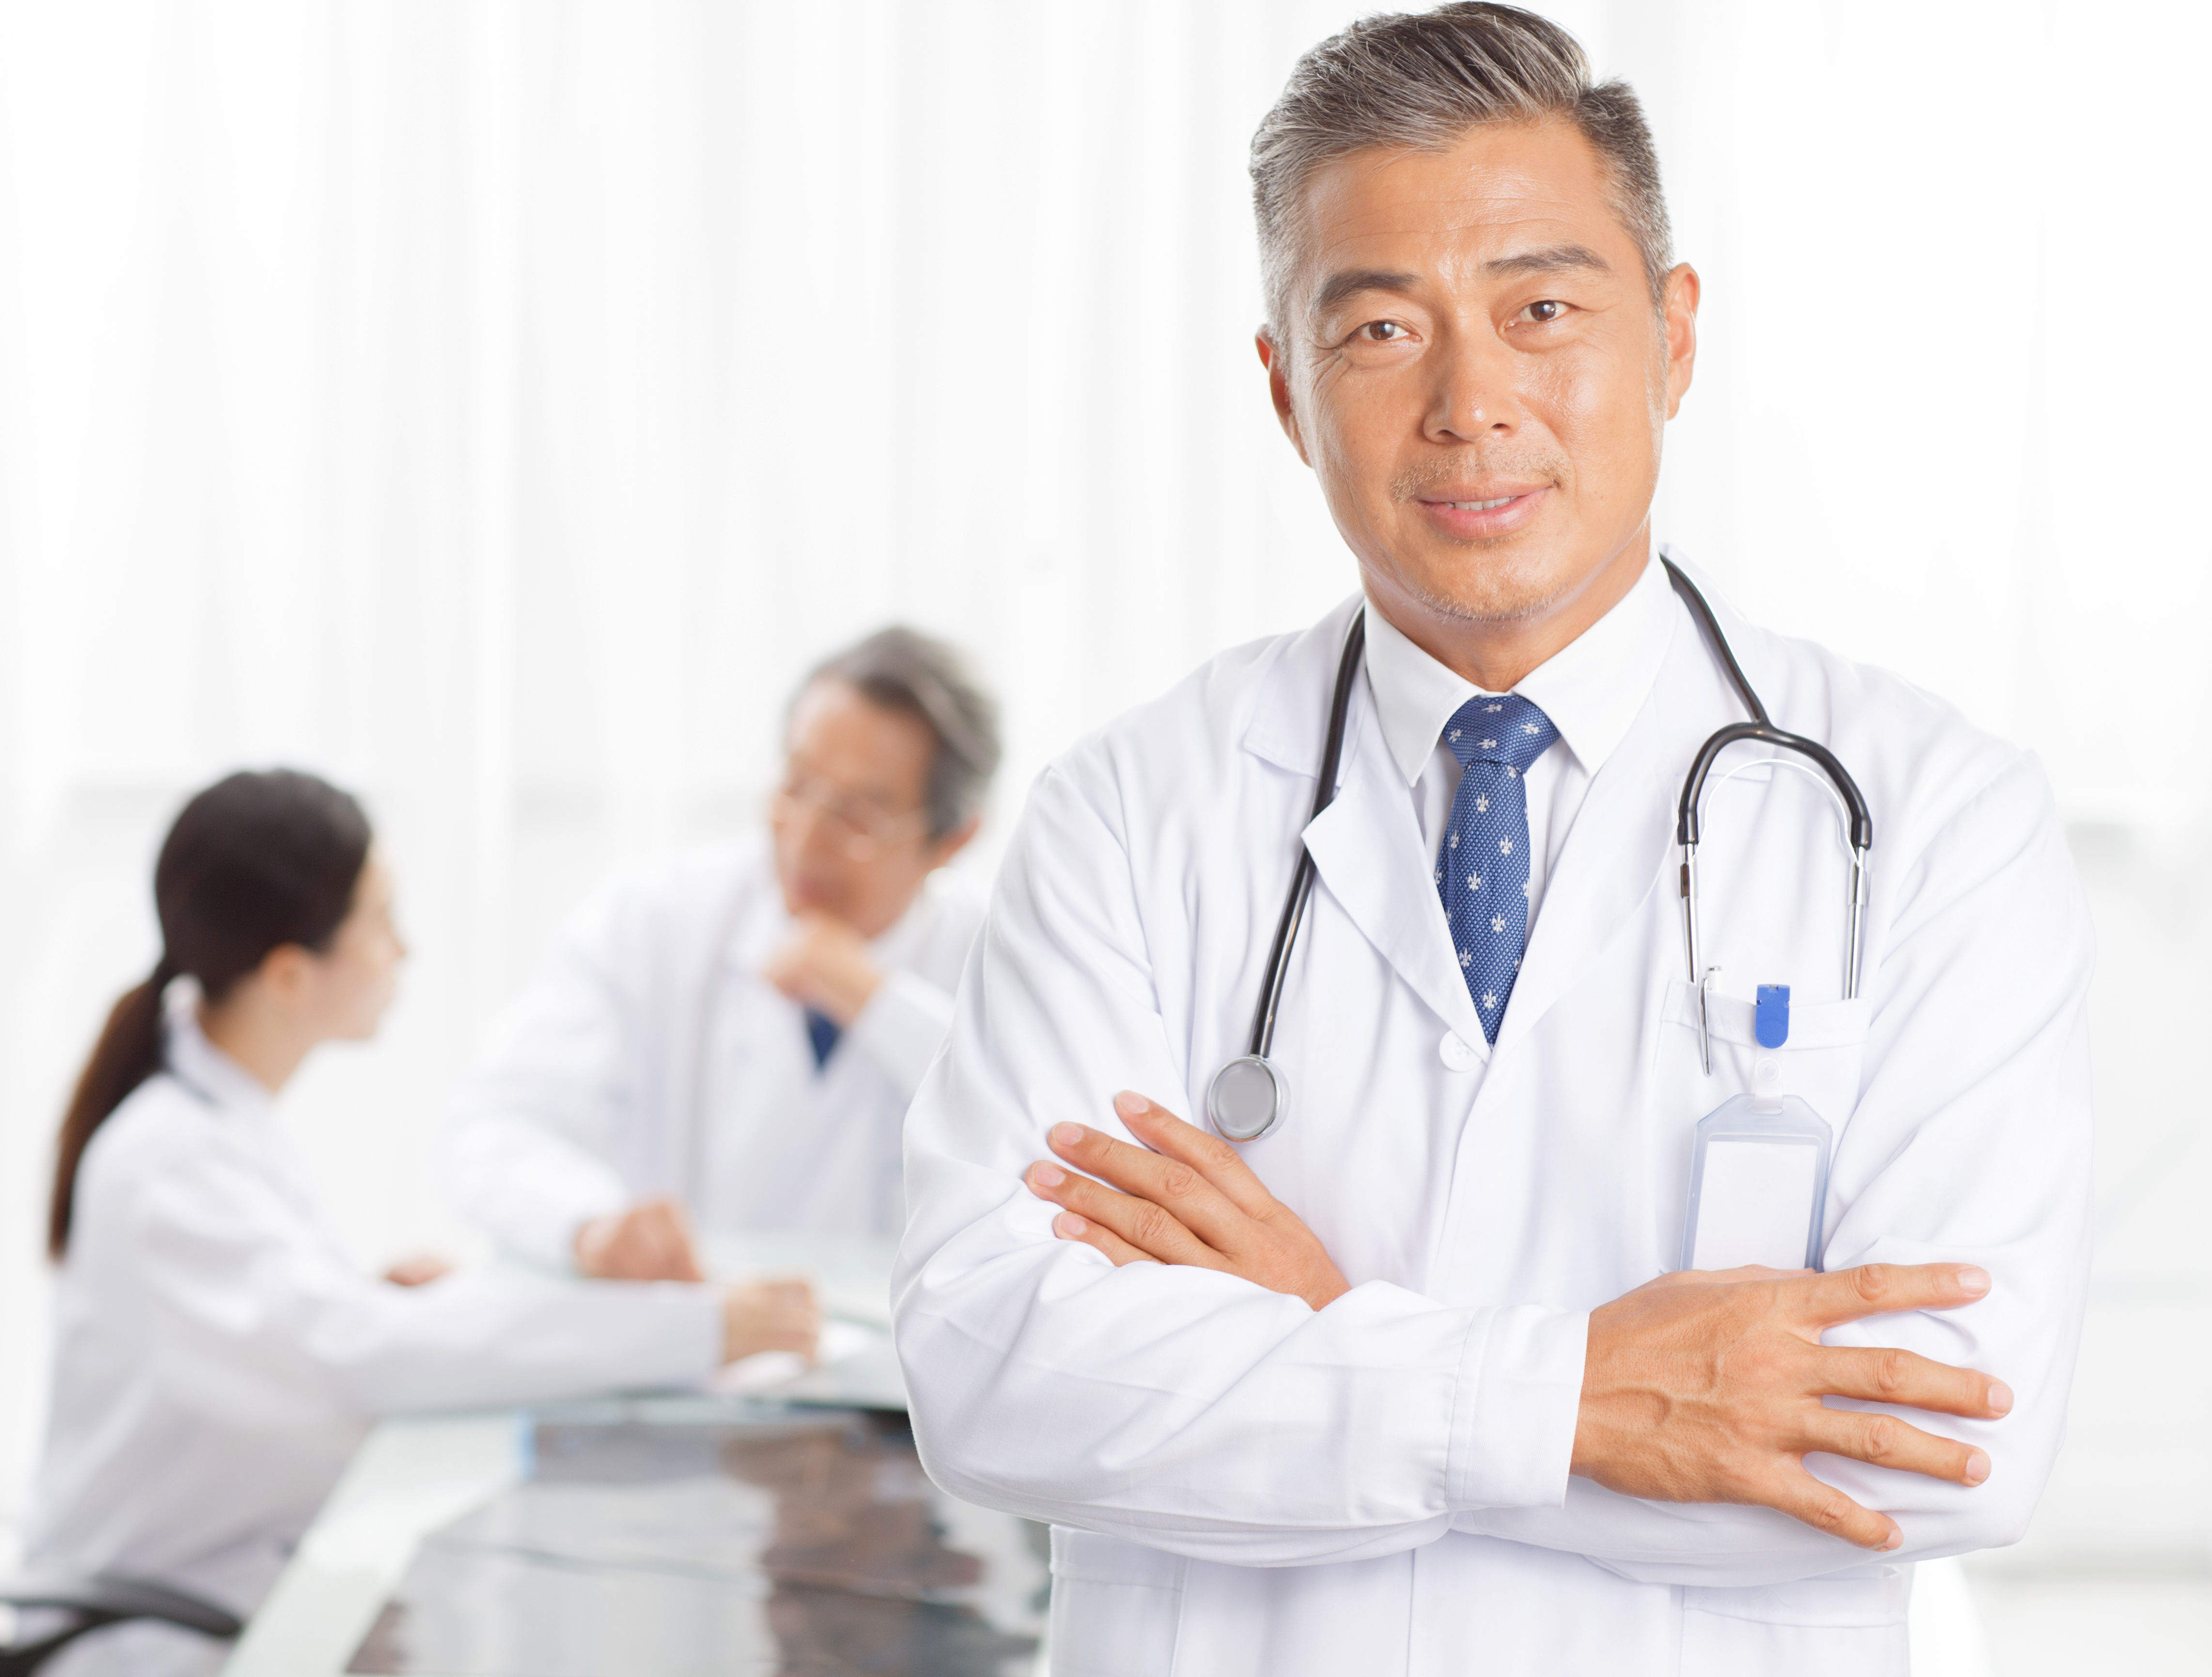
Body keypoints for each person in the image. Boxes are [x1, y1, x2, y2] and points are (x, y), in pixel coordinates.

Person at [892, 9, 2090, 1675]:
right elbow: (998, 1374)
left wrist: (1315, 1334)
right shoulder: (1131, 809)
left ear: (1673, 339)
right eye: (1380, 328)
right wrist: (1587, 1399)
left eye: (1541, 309)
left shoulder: (1929, 811)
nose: (1471, 402)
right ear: (1286, 390)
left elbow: (1941, 1434)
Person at [24, 770, 819, 1677]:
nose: (406, 949)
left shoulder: (210, 1114)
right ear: (289, 975)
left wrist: (365, 1303)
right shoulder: (167, 1163)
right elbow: (364, 1359)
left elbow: (315, 1333)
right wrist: (695, 1328)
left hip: (233, 1575)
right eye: (381, 920)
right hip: (152, 1635)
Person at [451, 627, 999, 1285]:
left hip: (902, 1382)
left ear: (954, 839)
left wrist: (881, 1004)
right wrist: (590, 1225)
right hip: (689, 1355)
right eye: (796, 786)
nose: (804, 837)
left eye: (858, 816)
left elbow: (1037, 1142)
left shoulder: (998, 964)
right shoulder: (657, 919)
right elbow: (498, 1126)